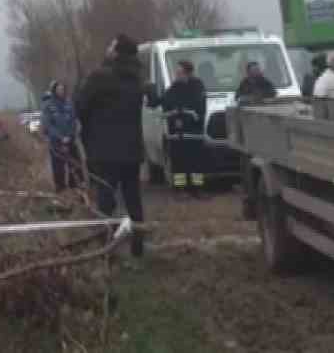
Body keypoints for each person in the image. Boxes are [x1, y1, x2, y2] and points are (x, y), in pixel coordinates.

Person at [74, 34, 147, 260]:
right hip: (132, 151)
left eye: (111, 45)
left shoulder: (99, 77)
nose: (108, 48)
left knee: (105, 201)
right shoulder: (137, 79)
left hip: (103, 152)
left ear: (117, 52)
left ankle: (105, 250)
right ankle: (138, 248)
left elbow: (80, 106)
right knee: (133, 199)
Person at [159, 60, 209, 191]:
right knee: (178, 163)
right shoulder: (174, 87)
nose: (177, 75)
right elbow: (165, 102)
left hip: (194, 132)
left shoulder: (198, 86)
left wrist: (186, 113)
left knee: (196, 163)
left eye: (179, 72)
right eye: (177, 73)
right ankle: (180, 188)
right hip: (177, 133)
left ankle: (197, 188)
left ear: (188, 73)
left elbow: (199, 106)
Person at [40, 80, 79, 194]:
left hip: (70, 139)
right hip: (56, 141)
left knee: (73, 163)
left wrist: (70, 135)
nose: (61, 91)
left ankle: (74, 187)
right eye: (59, 89)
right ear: (54, 91)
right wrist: (60, 137)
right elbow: (48, 124)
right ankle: (60, 188)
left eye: (63, 89)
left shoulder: (69, 104)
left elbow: (73, 120)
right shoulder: (48, 105)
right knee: (58, 166)